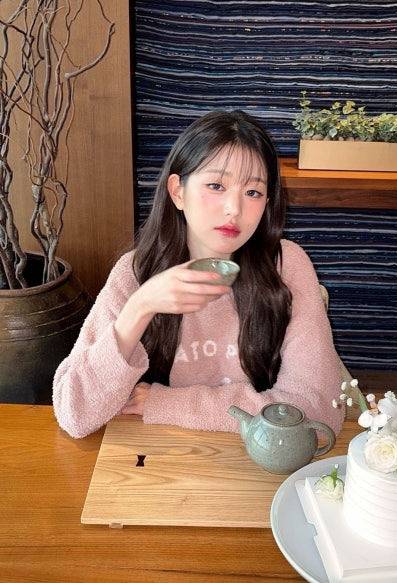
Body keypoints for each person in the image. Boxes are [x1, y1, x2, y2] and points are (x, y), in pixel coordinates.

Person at [53, 110, 344, 439]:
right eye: (216, 185)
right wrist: (140, 307)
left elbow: (319, 413)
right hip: (159, 457)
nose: (234, 209)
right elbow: (75, 414)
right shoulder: (135, 272)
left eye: (253, 192)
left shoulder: (286, 265)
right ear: (177, 191)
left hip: (255, 458)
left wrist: (165, 403)